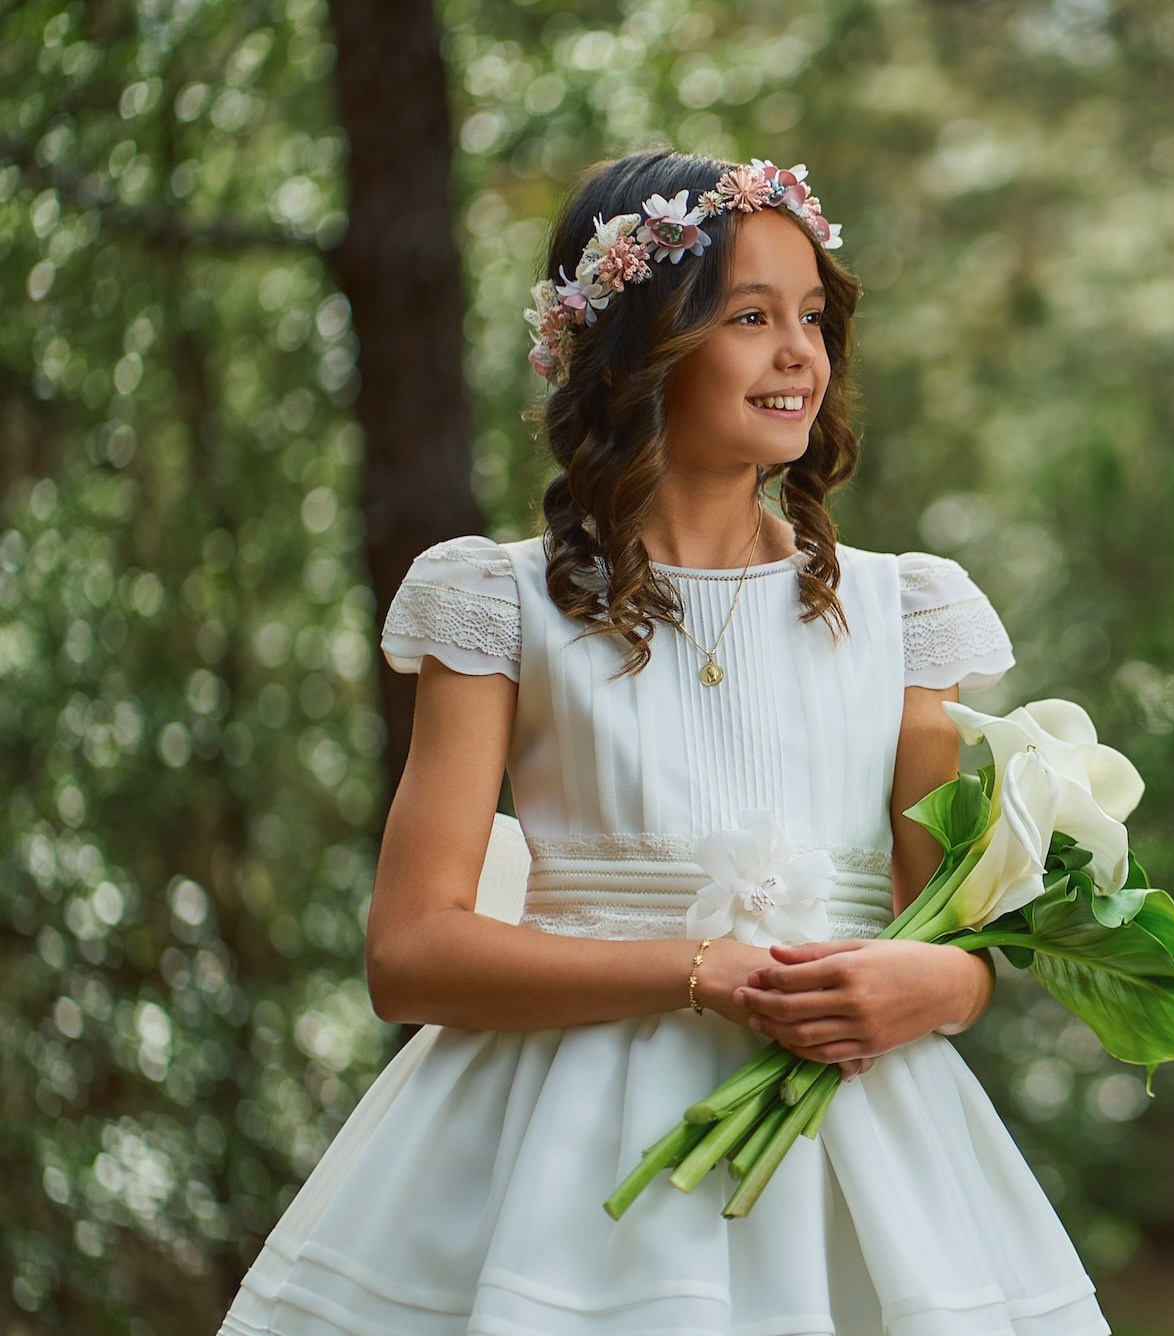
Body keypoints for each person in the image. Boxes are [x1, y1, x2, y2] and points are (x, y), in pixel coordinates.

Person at [217, 148, 1110, 1335]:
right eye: (749, 316)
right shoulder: (499, 604)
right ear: (640, 347)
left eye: (811, 315)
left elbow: (947, 937)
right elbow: (411, 951)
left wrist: (930, 984)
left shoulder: (906, 614)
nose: (800, 352)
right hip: (558, 1163)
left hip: (861, 1155)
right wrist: (697, 972)